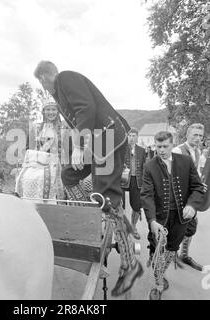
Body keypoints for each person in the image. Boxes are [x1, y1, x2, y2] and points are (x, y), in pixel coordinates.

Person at [34, 60, 143, 297]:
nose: (43, 87)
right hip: (96, 145)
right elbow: (77, 123)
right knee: (68, 174)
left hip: (109, 140)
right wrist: (78, 149)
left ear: (44, 77)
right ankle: (98, 212)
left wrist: (79, 147)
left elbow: (86, 109)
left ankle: (130, 265)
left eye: (41, 82)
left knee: (107, 198)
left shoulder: (66, 78)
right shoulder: (60, 96)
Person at [141, 131, 204, 300]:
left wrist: (191, 204)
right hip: (160, 218)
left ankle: (159, 272)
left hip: (181, 217)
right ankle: (158, 283)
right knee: (157, 248)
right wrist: (152, 220)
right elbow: (146, 195)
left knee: (171, 248)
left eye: (165, 146)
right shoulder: (149, 166)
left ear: (172, 143)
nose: (161, 150)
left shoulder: (186, 161)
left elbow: (198, 187)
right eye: (158, 146)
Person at [172, 123, 206, 271]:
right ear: (187, 135)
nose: (198, 138)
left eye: (200, 136)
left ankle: (183, 254)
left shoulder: (198, 152)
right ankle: (169, 256)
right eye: (195, 135)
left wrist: (199, 184)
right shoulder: (177, 150)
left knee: (191, 227)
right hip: (177, 198)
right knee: (173, 229)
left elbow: (196, 173)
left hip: (191, 197)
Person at [15, 100, 64, 202]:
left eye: (53, 109)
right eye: (48, 109)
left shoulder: (63, 127)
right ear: (43, 112)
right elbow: (29, 148)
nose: (51, 112)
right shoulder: (36, 127)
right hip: (39, 165)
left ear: (58, 111)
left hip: (60, 164)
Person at [121, 128, 146, 235]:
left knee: (136, 205)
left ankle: (133, 226)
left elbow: (144, 166)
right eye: (130, 135)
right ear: (127, 137)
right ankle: (121, 227)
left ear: (137, 137)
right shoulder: (122, 148)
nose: (131, 138)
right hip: (123, 179)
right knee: (120, 203)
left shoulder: (141, 150)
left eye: (134, 136)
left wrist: (145, 181)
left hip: (137, 179)